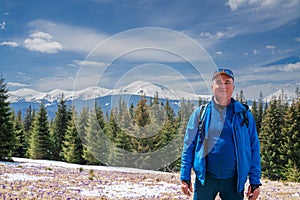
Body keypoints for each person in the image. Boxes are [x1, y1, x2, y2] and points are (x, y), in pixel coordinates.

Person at [180, 68, 261, 200]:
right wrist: (185, 176)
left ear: (233, 87)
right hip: (205, 180)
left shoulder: (244, 115)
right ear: (212, 87)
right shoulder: (200, 114)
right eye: (219, 82)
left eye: (227, 82)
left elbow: (254, 148)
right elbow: (188, 146)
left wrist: (255, 181)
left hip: (234, 182)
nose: (223, 86)